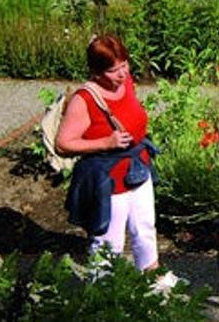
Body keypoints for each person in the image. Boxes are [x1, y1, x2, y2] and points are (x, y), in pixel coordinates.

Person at [57, 34, 176, 291]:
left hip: (137, 168)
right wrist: (105, 142)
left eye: (124, 65)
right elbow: (64, 143)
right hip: (108, 179)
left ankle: (153, 281)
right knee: (109, 242)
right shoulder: (84, 100)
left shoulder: (126, 82)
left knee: (145, 228)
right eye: (113, 70)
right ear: (96, 71)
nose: (122, 74)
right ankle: (103, 296)